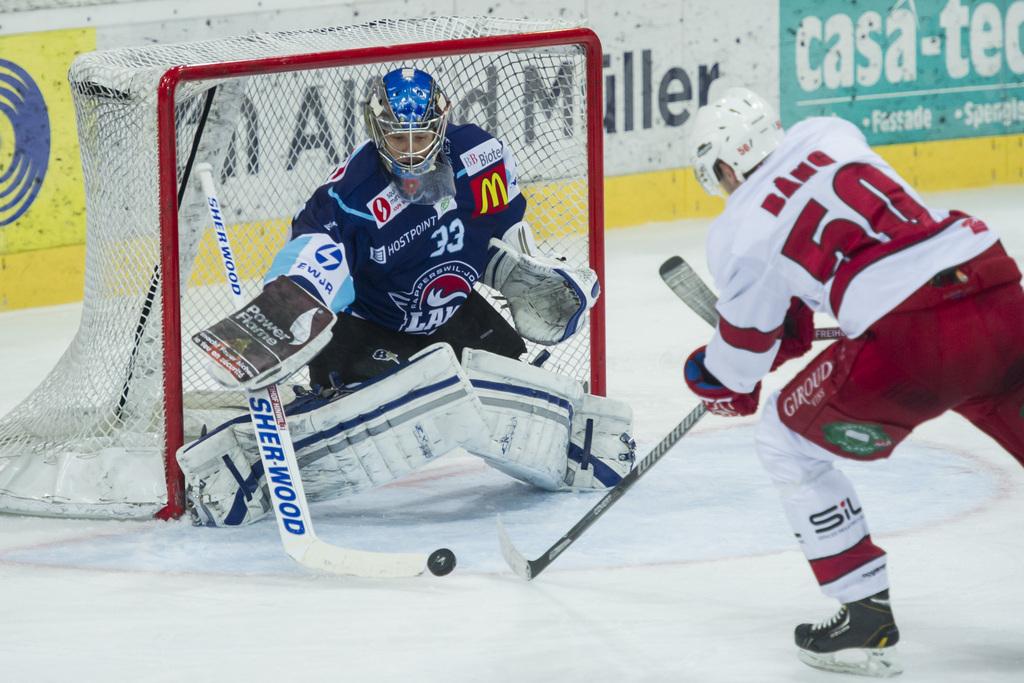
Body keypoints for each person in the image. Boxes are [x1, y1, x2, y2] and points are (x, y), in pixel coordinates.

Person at [177, 67, 635, 528]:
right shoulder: (351, 195)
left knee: (504, 378)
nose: (413, 150)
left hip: (453, 314)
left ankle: (569, 439)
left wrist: (531, 273)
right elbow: (311, 263)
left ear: (443, 123)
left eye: (423, 135)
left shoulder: (480, 156)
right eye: (399, 138)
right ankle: (247, 459)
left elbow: (500, 230)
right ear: (377, 130)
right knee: (410, 398)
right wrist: (278, 318)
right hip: (365, 332)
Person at [682, 86, 1024, 677]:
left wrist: (715, 379)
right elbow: (855, 244)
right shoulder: (830, 133)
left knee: (784, 440)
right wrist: (794, 319)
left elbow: (738, 365)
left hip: (913, 339)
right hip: (995, 284)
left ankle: (863, 612)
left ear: (724, 164)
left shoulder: (738, 229)